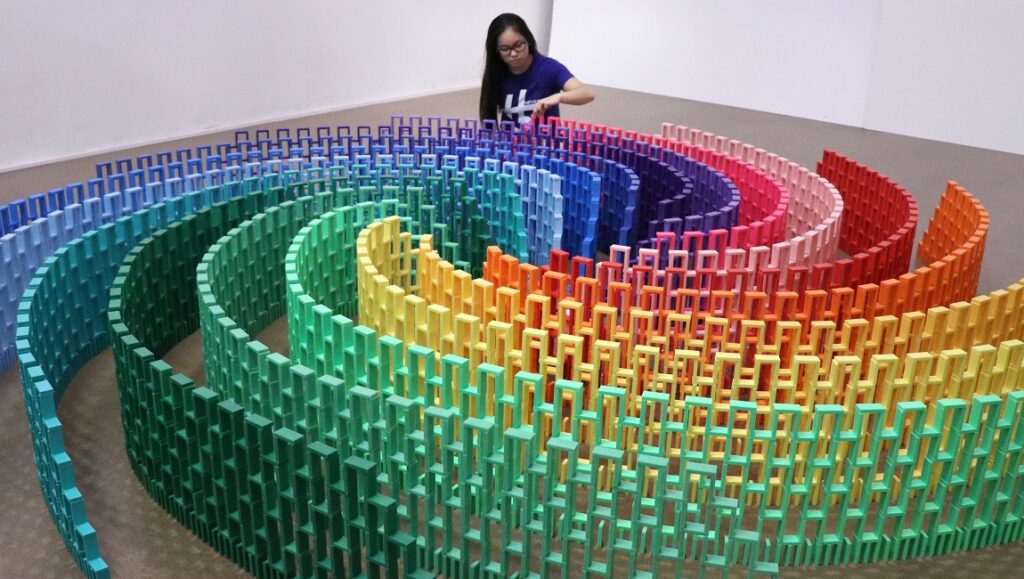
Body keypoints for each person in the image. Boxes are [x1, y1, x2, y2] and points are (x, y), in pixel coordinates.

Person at [479, 13, 594, 125]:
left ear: (528, 40)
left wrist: (558, 97)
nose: (513, 54)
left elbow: (586, 94)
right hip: (509, 138)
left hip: (545, 138)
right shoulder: (496, 72)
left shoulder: (549, 68)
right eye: (505, 49)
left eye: (518, 45)